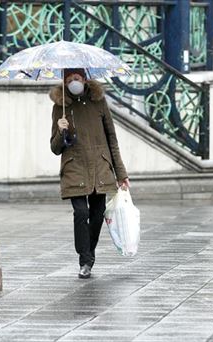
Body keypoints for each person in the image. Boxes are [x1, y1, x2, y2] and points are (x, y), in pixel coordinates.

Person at [50, 68, 130, 279]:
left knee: (96, 215)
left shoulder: (99, 102)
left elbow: (112, 138)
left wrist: (121, 173)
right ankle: (84, 260)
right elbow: (55, 148)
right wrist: (61, 130)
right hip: (74, 166)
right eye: (68, 79)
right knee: (81, 213)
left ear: (84, 79)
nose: (73, 82)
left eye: (76, 78)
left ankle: (89, 253)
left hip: (99, 166)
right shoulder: (61, 107)